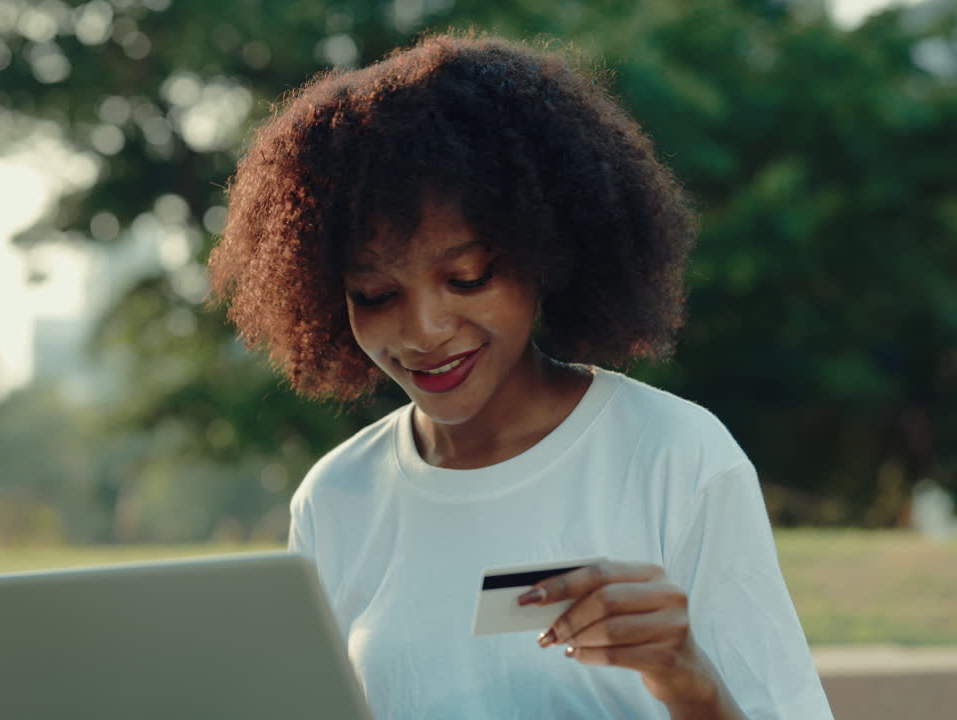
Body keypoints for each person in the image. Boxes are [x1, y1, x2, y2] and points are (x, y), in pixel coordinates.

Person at [206, 32, 833, 720]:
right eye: (376, 295)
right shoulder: (335, 498)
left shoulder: (675, 456)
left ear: (545, 253)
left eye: (468, 277)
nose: (424, 331)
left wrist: (686, 678)